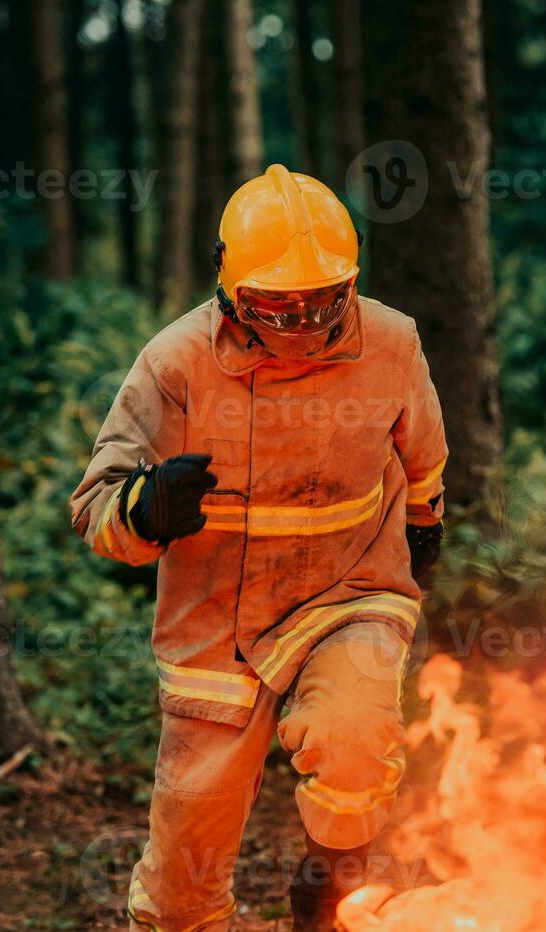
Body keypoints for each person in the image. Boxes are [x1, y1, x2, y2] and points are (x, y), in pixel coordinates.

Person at [69, 165, 448, 931]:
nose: (303, 324)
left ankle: (332, 887)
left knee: (353, 736)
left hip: (351, 591)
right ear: (230, 287)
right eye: (279, 305)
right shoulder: (175, 362)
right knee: (182, 884)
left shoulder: (392, 342)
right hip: (217, 629)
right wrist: (147, 509)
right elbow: (94, 506)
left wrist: (424, 520)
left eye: (321, 302)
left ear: (351, 282)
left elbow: (426, 453)